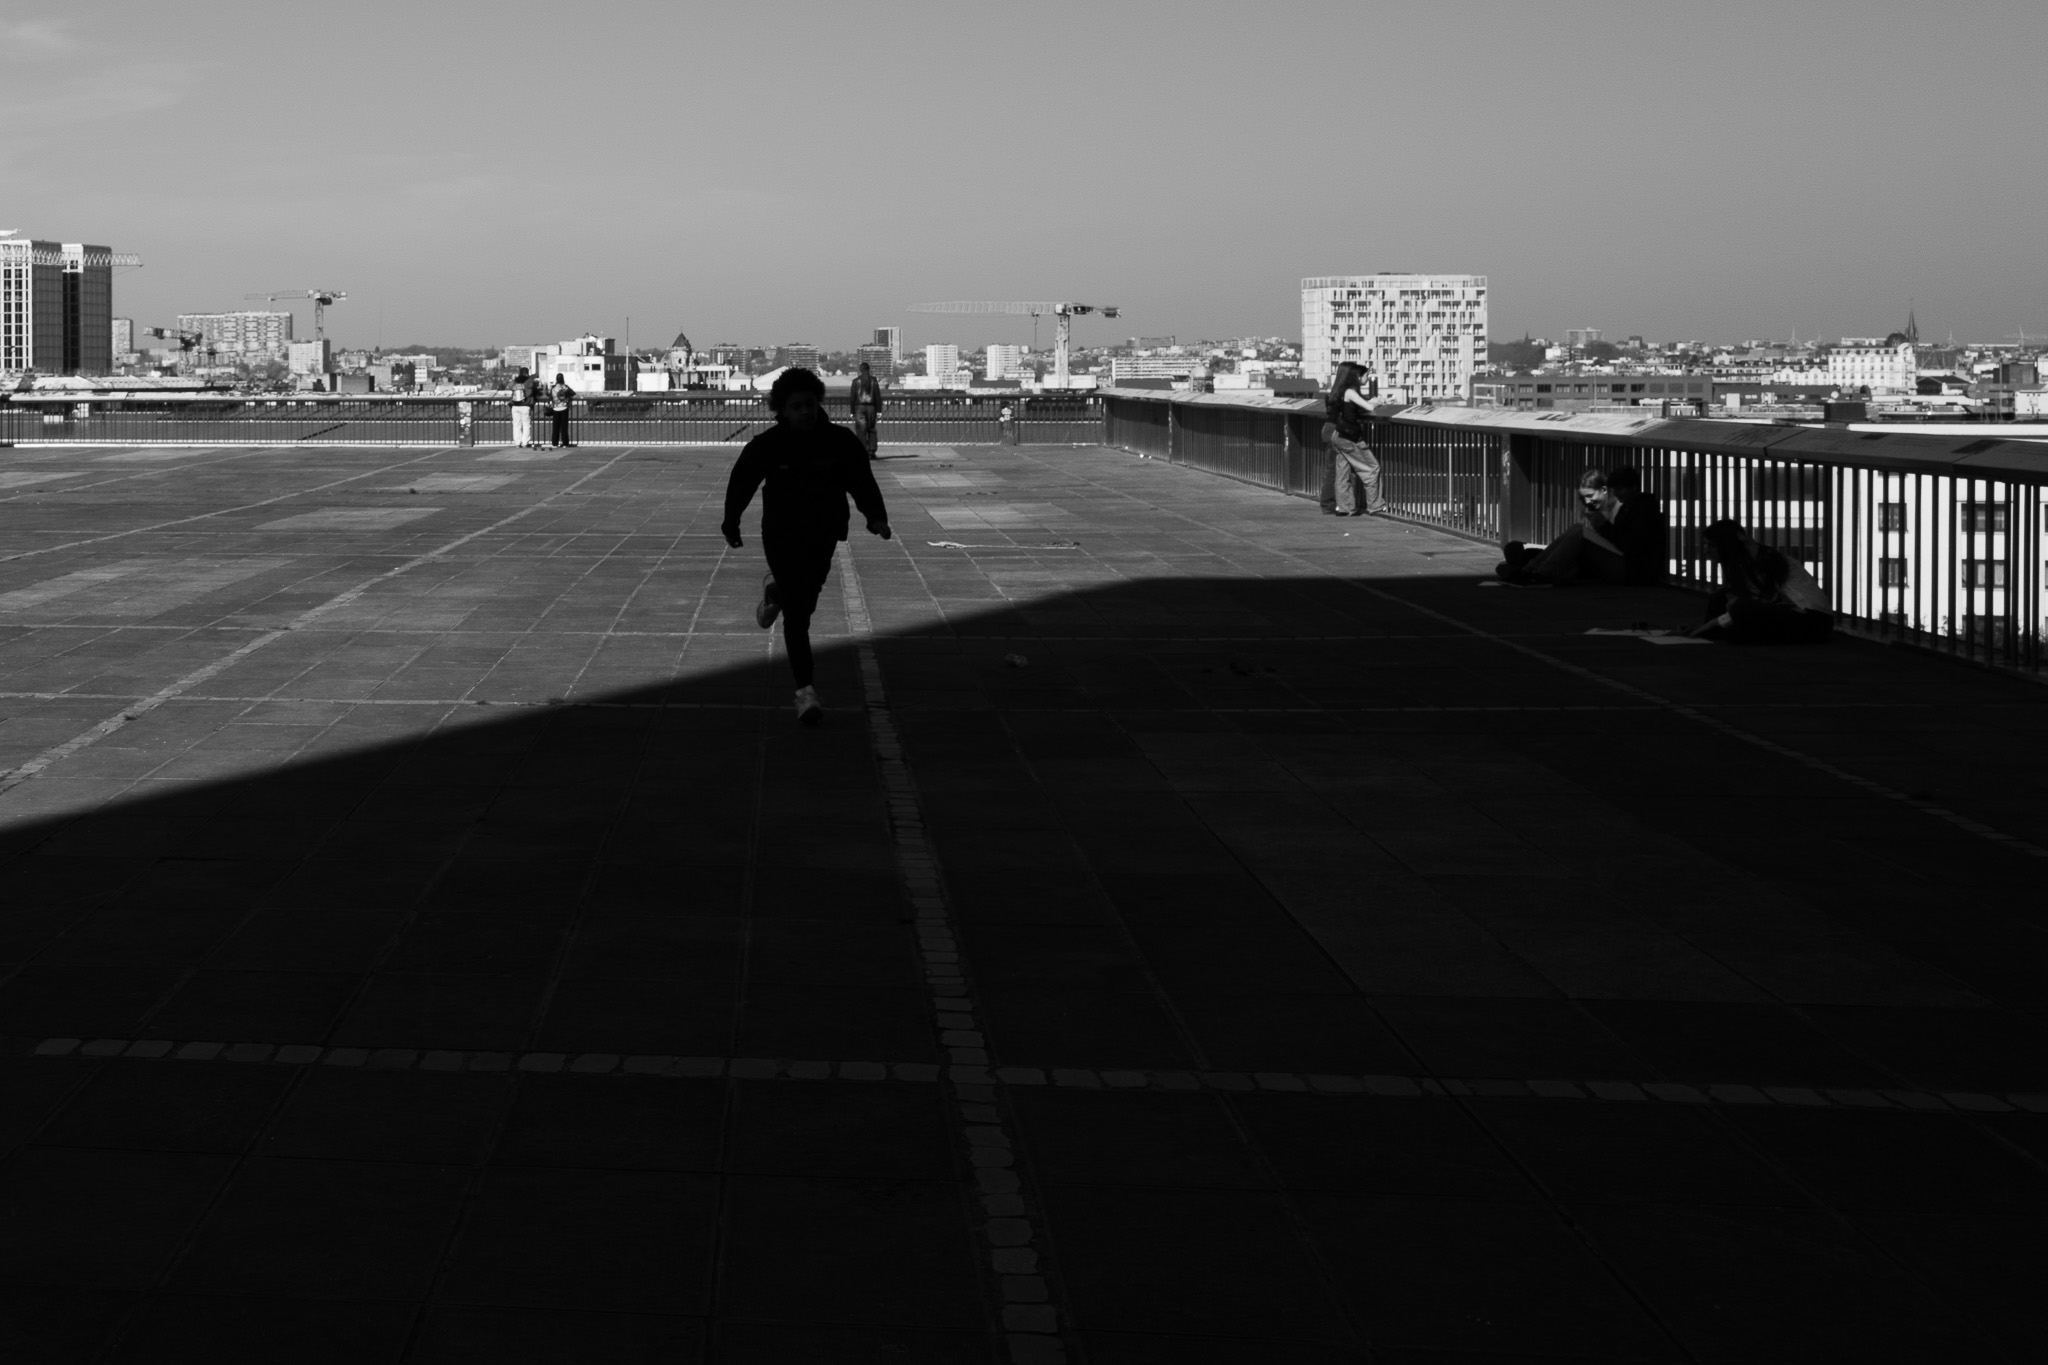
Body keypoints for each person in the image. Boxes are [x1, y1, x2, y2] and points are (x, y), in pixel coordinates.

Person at [721, 367, 893, 724]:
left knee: (805, 598)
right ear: (782, 409)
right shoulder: (768, 445)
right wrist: (731, 521)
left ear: (818, 404)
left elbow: (860, 480)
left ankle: (776, 595)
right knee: (798, 617)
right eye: (796, 406)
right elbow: (742, 482)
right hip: (781, 534)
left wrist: (875, 517)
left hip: (824, 533)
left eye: (810, 405)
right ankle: (805, 691)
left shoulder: (839, 442)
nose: (805, 412)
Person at [1497, 467, 1666, 586]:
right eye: (1616, 490)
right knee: (1577, 529)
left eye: (1621, 489)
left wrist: (1603, 527)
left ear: (1634, 487)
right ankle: (1531, 569)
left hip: (1632, 572)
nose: (1618, 494)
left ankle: (1540, 573)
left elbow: (1631, 546)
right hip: (1624, 566)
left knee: (1579, 532)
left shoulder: (1645, 511)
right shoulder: (1629, 507)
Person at [1688, 518, 1833, 643]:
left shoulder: (1765, 559)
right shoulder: (1743, 562)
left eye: (1712, 546)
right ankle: (1711, 632)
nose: (1707, 551)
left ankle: (1715, 631)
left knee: (1738, 612)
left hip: (1812, 620)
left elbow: (1759, 600)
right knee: (1721, 598)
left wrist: (1713, 623)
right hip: (1792, 614)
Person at [1321, 361, 1387, 516]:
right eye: (1366, 375)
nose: (1367, 378)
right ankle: (1375, 505)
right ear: (1358, 376)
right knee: (1371, 468)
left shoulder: (1340, 391)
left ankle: (1344, 507)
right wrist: (1377, 402)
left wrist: (1372, 401)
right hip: (1349, 436)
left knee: (1342, 472)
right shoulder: (1350, 392)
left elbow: (1358, 407)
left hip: (1338, 435)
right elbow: (1369, 407)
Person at [850, 361, 884, 458]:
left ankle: (863, 450)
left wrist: (852, 411)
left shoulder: (855, 381)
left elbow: (852, 397)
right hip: (872, 407)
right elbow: (877, 395)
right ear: (868, 369)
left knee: (861, 430)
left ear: (860, 370)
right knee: (871, 429)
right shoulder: (874, 380)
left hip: (859, 407)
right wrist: (879, 410)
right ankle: (872, 451)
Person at [508, 368, 534, 449]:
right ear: (527, 373)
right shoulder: (529, 382)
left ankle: (517, 443)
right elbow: (534, 388)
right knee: (526, 425)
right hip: (526, 405)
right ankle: (525, 443)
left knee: (516, 425)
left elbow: (509, 386)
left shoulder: (514, 382)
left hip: (515, 406)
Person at [547, 375, 574, 448]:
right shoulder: (566, 387)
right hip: (564, 408)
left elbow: (549, 397)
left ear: (556, 379)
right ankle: (565, 443)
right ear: (563, 379)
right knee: (564, 427)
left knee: (555, 427)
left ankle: (555, 443)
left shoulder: (553, 387)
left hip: (555, 408)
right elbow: (573, 393)